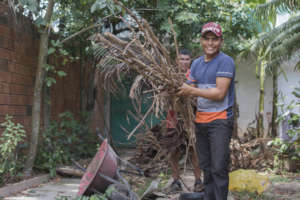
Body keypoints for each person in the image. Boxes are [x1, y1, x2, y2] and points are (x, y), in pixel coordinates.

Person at [177, 22, 235, 200]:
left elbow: (219, 93)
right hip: (201, 120)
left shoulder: (225, 61)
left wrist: (191, 91)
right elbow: (190, 87)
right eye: (206, 38)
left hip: (220, 121)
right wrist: (175, 89)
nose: (210, 43)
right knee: (207, 166)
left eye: (214, 39)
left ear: (221, 41)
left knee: (218, 167)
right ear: (201, 40)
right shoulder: (196, 64)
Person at [165, 49, 204, 193]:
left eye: (187, 59)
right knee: (173, 149)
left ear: (190, 61)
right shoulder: (168, 75)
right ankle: (176, 181)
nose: (184, 62)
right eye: (181, 59)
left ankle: (198, 181)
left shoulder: (194, 76)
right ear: (177, 61)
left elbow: (197, 95)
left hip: (192, 116)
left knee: (195, 149)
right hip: (173, 117)